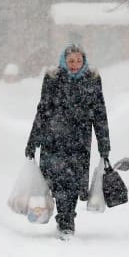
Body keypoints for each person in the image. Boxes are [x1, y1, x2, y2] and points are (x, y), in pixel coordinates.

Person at [25, 43, 110, 239]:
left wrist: (104, 145)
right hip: (53, 139)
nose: (75, 64)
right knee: (55, 181)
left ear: (84, 62)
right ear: (64, 61)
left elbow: (100, 114)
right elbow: (43, 110)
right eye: (71, 61)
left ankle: (67, 221)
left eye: (79, 61)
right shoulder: (53, 79)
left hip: (79, 141)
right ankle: (61, 217)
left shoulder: (92, 80)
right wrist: (33, 140)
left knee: (71, 183)